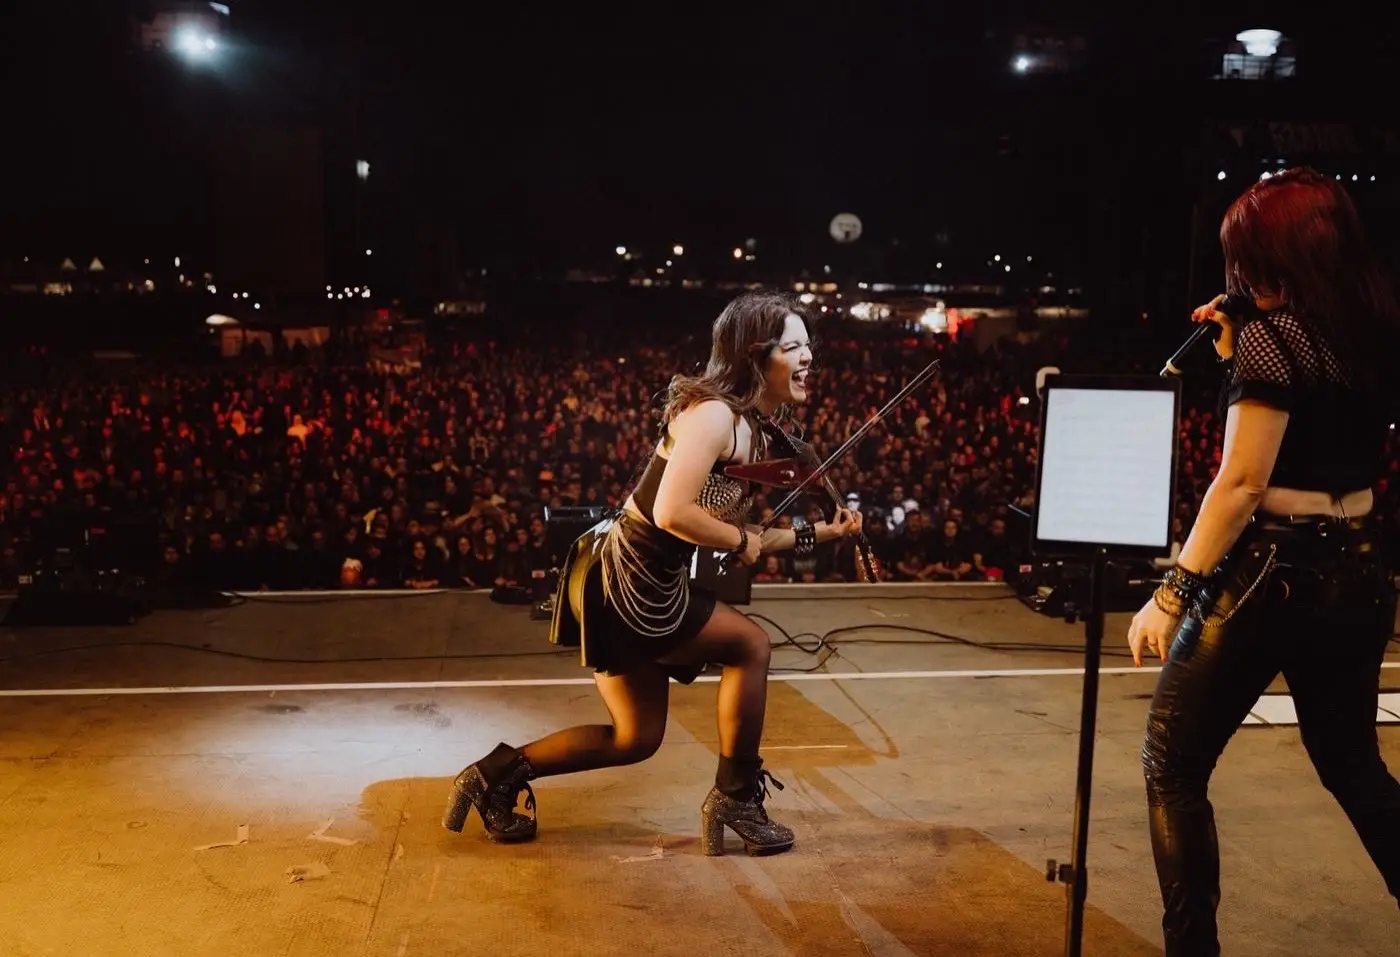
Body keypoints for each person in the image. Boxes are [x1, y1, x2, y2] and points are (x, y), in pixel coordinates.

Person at [442, 291, 864, 855]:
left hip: (631, 577)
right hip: (631, 580)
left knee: (635, 738)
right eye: (793, 346)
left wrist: (826, 535)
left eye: (809, 344)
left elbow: (747, 537)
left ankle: (494, 775)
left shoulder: (749, 426)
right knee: (752, 646)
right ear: (754, 355)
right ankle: (736, 798)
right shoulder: (714, 415)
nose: (808, 356)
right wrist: (740, 540)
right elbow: (672, 512)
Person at [1126, 167, 1400, 955]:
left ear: (1279, 257)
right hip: (1358, 569)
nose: (1238, 276)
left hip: (1270, 579)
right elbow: (1321, 430)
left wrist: (1174, 593)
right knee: (1352, 764)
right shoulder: (1370, 328)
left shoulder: (1273, 340)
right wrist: (1234, 352)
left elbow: (1242, 482)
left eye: (1247, 259)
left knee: (1171, 767)